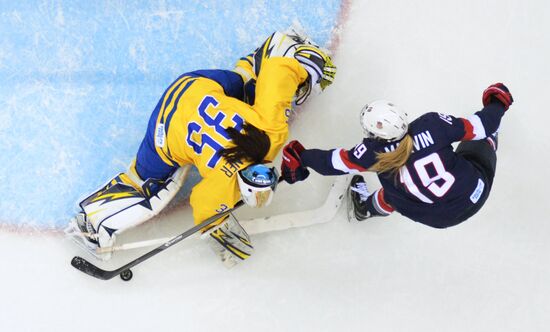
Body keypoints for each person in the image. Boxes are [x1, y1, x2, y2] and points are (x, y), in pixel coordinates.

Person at [66, 29, 336, 266]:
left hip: (194, 85)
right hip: (166, 128)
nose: (265, 174)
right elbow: (203, 205)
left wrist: (307, 68)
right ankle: (91, 224)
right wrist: (219, 228)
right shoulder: (223, 183)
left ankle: (284, 46)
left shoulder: (270, 133)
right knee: (147, 186)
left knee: (248, 86)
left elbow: (278, 74)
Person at [280, 83, 513, 229]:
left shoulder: (370, 154)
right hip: (475, 192)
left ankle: (366, 209)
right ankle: (491, 143)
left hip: (437, 218)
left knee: (398, 191)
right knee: (484, 134)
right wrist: (498, 102)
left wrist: (302, 156)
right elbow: (482, 124)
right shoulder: (431, 125)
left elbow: (331, 162)